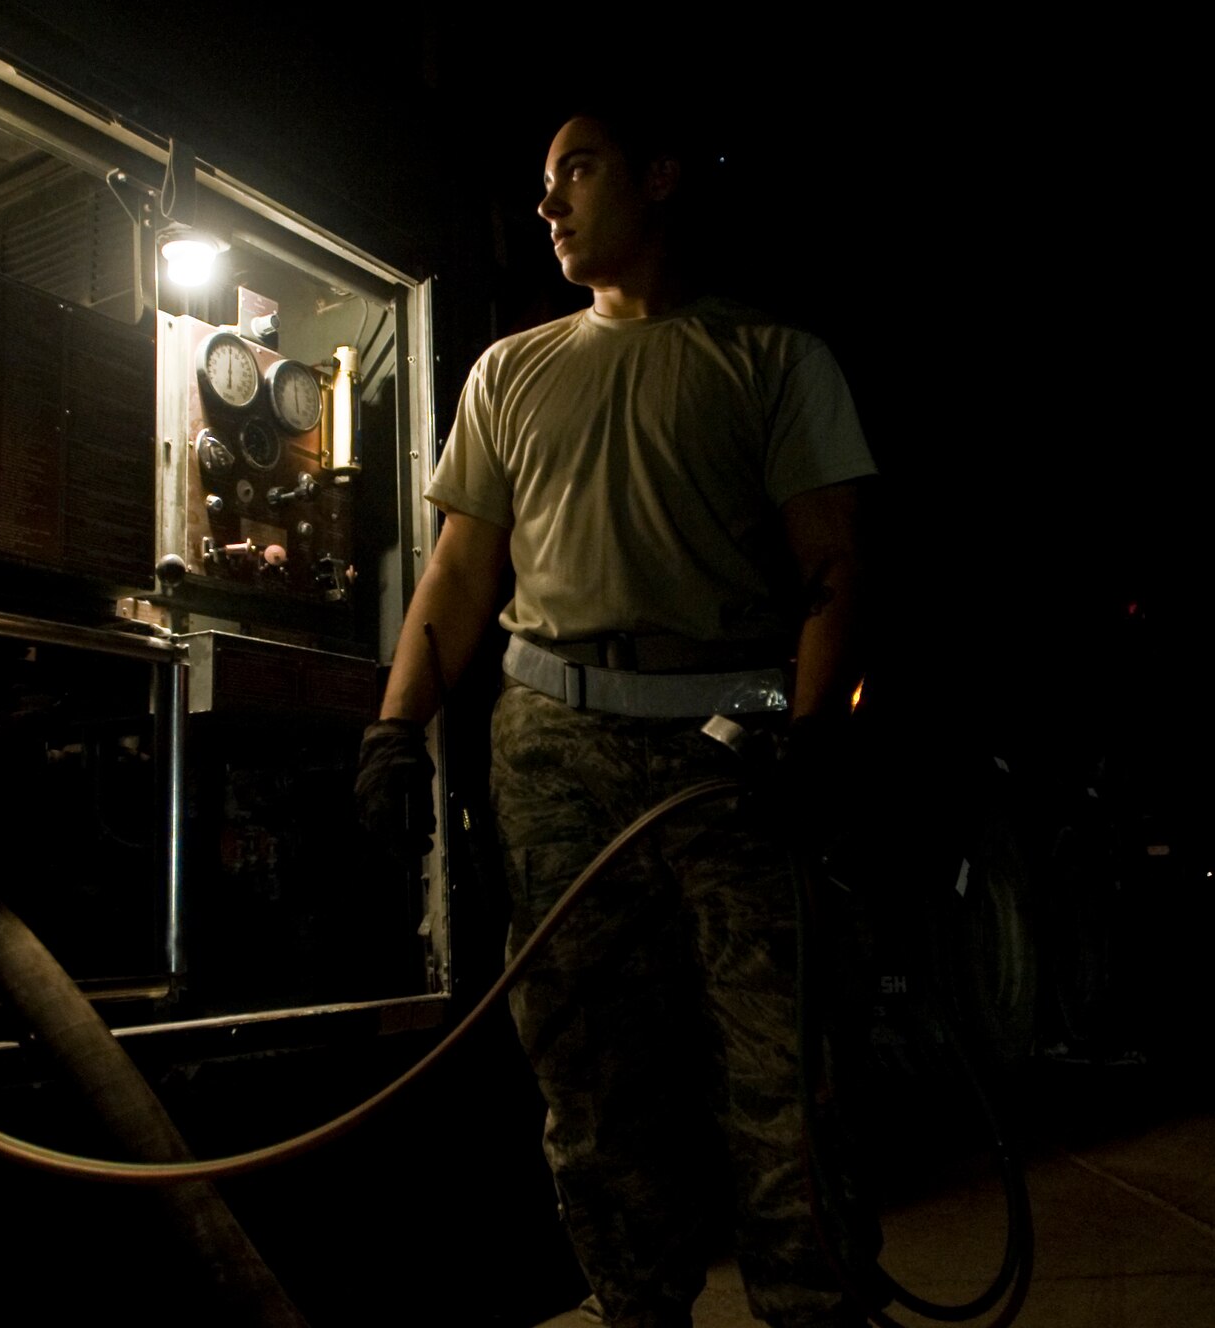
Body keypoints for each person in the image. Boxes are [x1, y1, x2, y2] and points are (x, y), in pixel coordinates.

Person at [356, 107, 879, 1328]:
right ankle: (640, 1311)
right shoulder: (510, 372)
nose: (548, 204)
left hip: (731, 753)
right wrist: (393, 728)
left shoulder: (771, 358)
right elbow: (457, 575)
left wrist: (807, 738)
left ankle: (816, 1309)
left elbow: (835, 568)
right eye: (544, 183)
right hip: (554, 750)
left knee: (784, 1085)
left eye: (575, 172)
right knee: (589, 1087)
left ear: (657, 179)